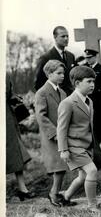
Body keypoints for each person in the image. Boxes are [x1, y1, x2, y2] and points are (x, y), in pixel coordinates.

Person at [57, 66, 101, 212]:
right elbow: (61, 128)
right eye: (88, 81)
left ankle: (66, 197)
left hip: (86, 145)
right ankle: (92, 206)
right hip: (73, 146)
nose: (92, 85)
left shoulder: (90, 101)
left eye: (93, 81)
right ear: (77, 83)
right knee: (92, 171)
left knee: (83, 176)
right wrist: (63, 150)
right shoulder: (68, 103)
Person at [34, 60, 70, 207]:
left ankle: (56, 193)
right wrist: (54, 133)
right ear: (49, 74)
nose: (62, 76)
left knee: (62, 165)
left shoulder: (62, 92)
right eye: (59, 73)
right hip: (51, 135)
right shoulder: (42, 92)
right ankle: (53, 194)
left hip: (62, 133)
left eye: (63, 73)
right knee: (58, 165)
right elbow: (41, 116)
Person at [6, 74, 36, 201]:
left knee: (16, 152)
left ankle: (22, 189)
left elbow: (9, 94)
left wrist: (15, 98)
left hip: (7, 119)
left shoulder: (5, 75)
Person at [34, 26, 75, 96]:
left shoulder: (71, 56)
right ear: (55, 38)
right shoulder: (45, 58)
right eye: (63, 36)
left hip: (70, 98)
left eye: (67, 36)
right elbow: (38, 83)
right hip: (54, 99)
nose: (66, 38)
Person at [84, 48, 101, 143]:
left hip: (98, 99)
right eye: (87, 58)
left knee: (99, 119)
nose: (88, 60)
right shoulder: (84, 68)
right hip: (87, 98)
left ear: (95, 57)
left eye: (90, 57)